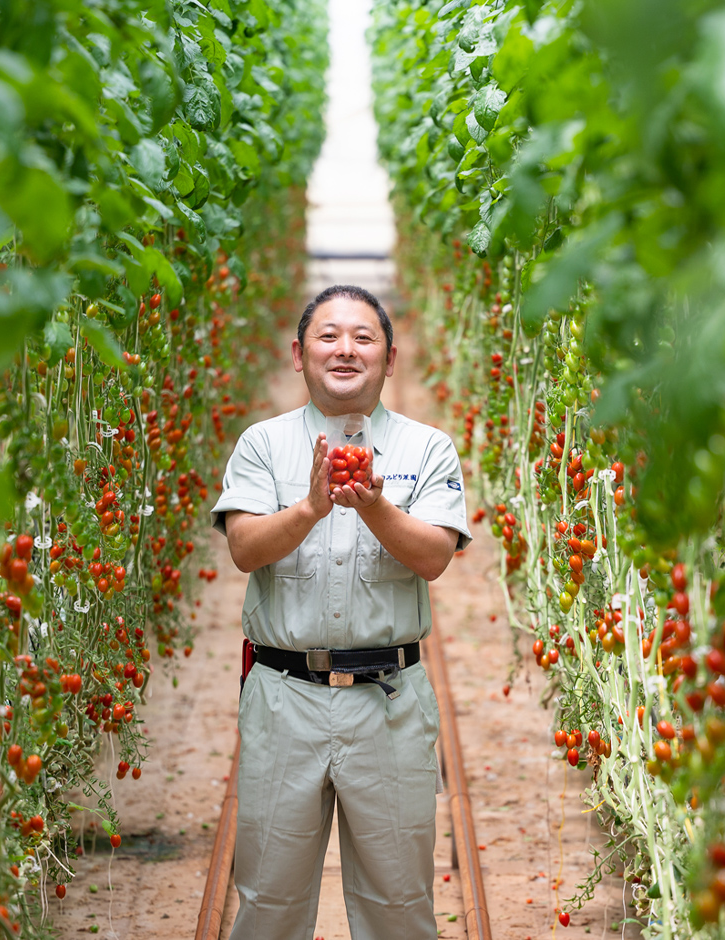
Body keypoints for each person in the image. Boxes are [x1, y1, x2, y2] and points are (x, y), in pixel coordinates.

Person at [211, 284, 471, 940]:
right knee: (268, 901)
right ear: (299, 355)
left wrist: (374, 506)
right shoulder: (263, 446)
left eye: (364, 337)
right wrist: (310, 509)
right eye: (328, 336)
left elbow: (436, 557)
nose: (346, 349)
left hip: (388, 705)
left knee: (399, 907)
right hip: (283, 700)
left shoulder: (426, 449)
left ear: (390, 358)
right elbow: (243, 548)